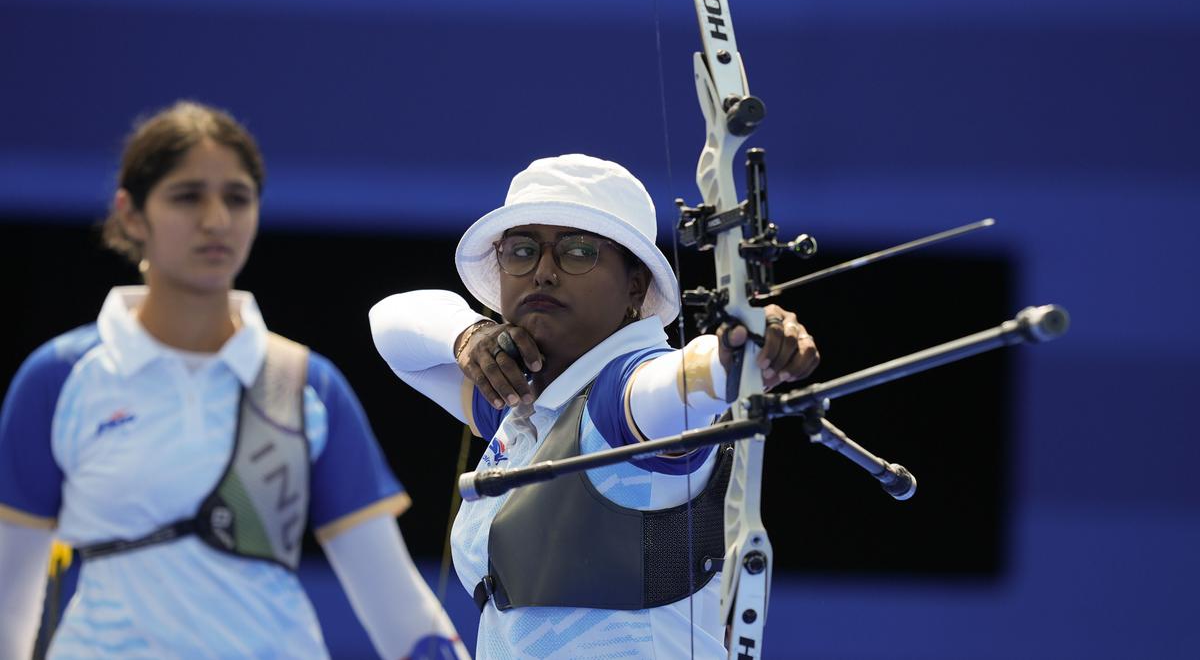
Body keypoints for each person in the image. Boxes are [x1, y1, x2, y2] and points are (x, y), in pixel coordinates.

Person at [0, 101, 468, 659]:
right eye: (187, 195)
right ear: (130, 214)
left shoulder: (306, 385)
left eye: (237, 197)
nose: (217, 219)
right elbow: (9, 605)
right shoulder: (59, 378)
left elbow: (399, 610)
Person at [369, 153, 819, 658]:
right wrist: (468, 334)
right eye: (521, 251)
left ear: (635, 285)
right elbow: (388, 324)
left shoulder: (623, 398)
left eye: (578, 251)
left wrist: (734, 357)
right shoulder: (518, 400)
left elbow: (674, 385)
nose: (542, 273)